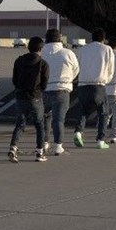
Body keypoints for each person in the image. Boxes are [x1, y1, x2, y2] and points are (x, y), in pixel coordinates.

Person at [8, 36, 50, 163]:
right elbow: (44, 83)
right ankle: (39, 152)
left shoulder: (19, 61)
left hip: (20, 95)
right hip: (35, 97)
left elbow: (14, 80)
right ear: (41, 49)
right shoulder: (43, 63)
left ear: (28, 47)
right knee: (39, 125)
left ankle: (13, 148)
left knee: (20, 124)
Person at [72, 28, 115, 149]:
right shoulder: (107, 49)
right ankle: (100, 140)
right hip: (98, 85)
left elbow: (78, 65)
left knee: (83, 111)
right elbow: (111, 68)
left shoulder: (82, 49)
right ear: (103, 38)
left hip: (83, 84)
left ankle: (78, 132)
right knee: (103, 113)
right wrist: (106, 80)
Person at [41, 28, 79, 156]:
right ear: (59, 39)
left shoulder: (42, 53)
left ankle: (45, 142)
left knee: (45, 118)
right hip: (62, 91)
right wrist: (67, 80)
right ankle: (58, 146)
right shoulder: (67, 53)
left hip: (45, 90)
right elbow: (76, 69)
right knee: (59, 120)